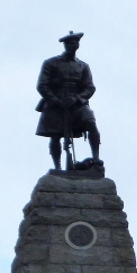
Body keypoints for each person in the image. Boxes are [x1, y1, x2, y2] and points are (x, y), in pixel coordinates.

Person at [35, 31, 101, 170]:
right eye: (70, 43)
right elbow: (42, 85)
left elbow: (90, 87)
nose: (73, 45)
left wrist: (77, 98)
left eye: (75, 43)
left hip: (77, 104)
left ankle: (96, 159)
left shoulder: (83, 66)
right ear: (65, 45)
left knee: (90, 121)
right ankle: (57, 167)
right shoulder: (51, 63)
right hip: (55, 103)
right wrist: (57, 101)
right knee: (55, 135)